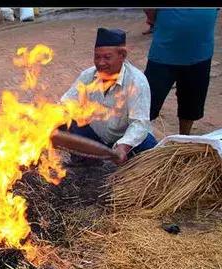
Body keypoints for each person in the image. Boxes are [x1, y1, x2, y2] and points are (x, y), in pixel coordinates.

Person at [60, 27, 157, 166]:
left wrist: (123, 147)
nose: (100, 63)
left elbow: (139, 123)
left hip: (127, 140)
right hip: (95, 137)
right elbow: (66, 103)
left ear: (122, 56)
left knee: (148, 160)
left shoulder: (137, 81)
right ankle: (87, 162)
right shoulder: (88, 76)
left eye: (107, 57)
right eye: (97, 57)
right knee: (64, 122)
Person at [144, 9, 218, 135]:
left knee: (191, 103)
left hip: (201, 53)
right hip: (164, 54)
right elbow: (149, 9)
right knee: (147, 102)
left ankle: (183, 138)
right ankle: (139, 140)